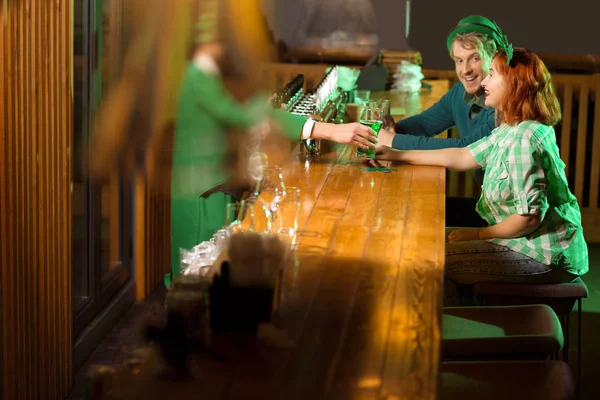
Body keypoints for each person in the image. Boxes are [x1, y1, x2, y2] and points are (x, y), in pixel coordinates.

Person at [374, 47, 589, 306]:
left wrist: (477, 235)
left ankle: (459, 335)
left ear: (515, 84)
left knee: (430, 260)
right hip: (524, 243)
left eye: (491, 75)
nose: (483, 82)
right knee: (424, 240)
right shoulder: (511, 128)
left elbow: (528, 219)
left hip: (543, 254)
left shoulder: (524, 138)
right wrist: (394, 155)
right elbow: (463, 156)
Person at [377, 15, 508, 226]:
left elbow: (465, 148)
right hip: (492, 208)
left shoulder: (505, 104)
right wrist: (394, 130)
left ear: (495, 58)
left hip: (511, 223)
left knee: (417, 221)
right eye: (459, 60)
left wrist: (392, 142)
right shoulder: (460, 93)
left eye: (475, 58)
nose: (465, 70)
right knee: (411, 213)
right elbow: (423, 124)